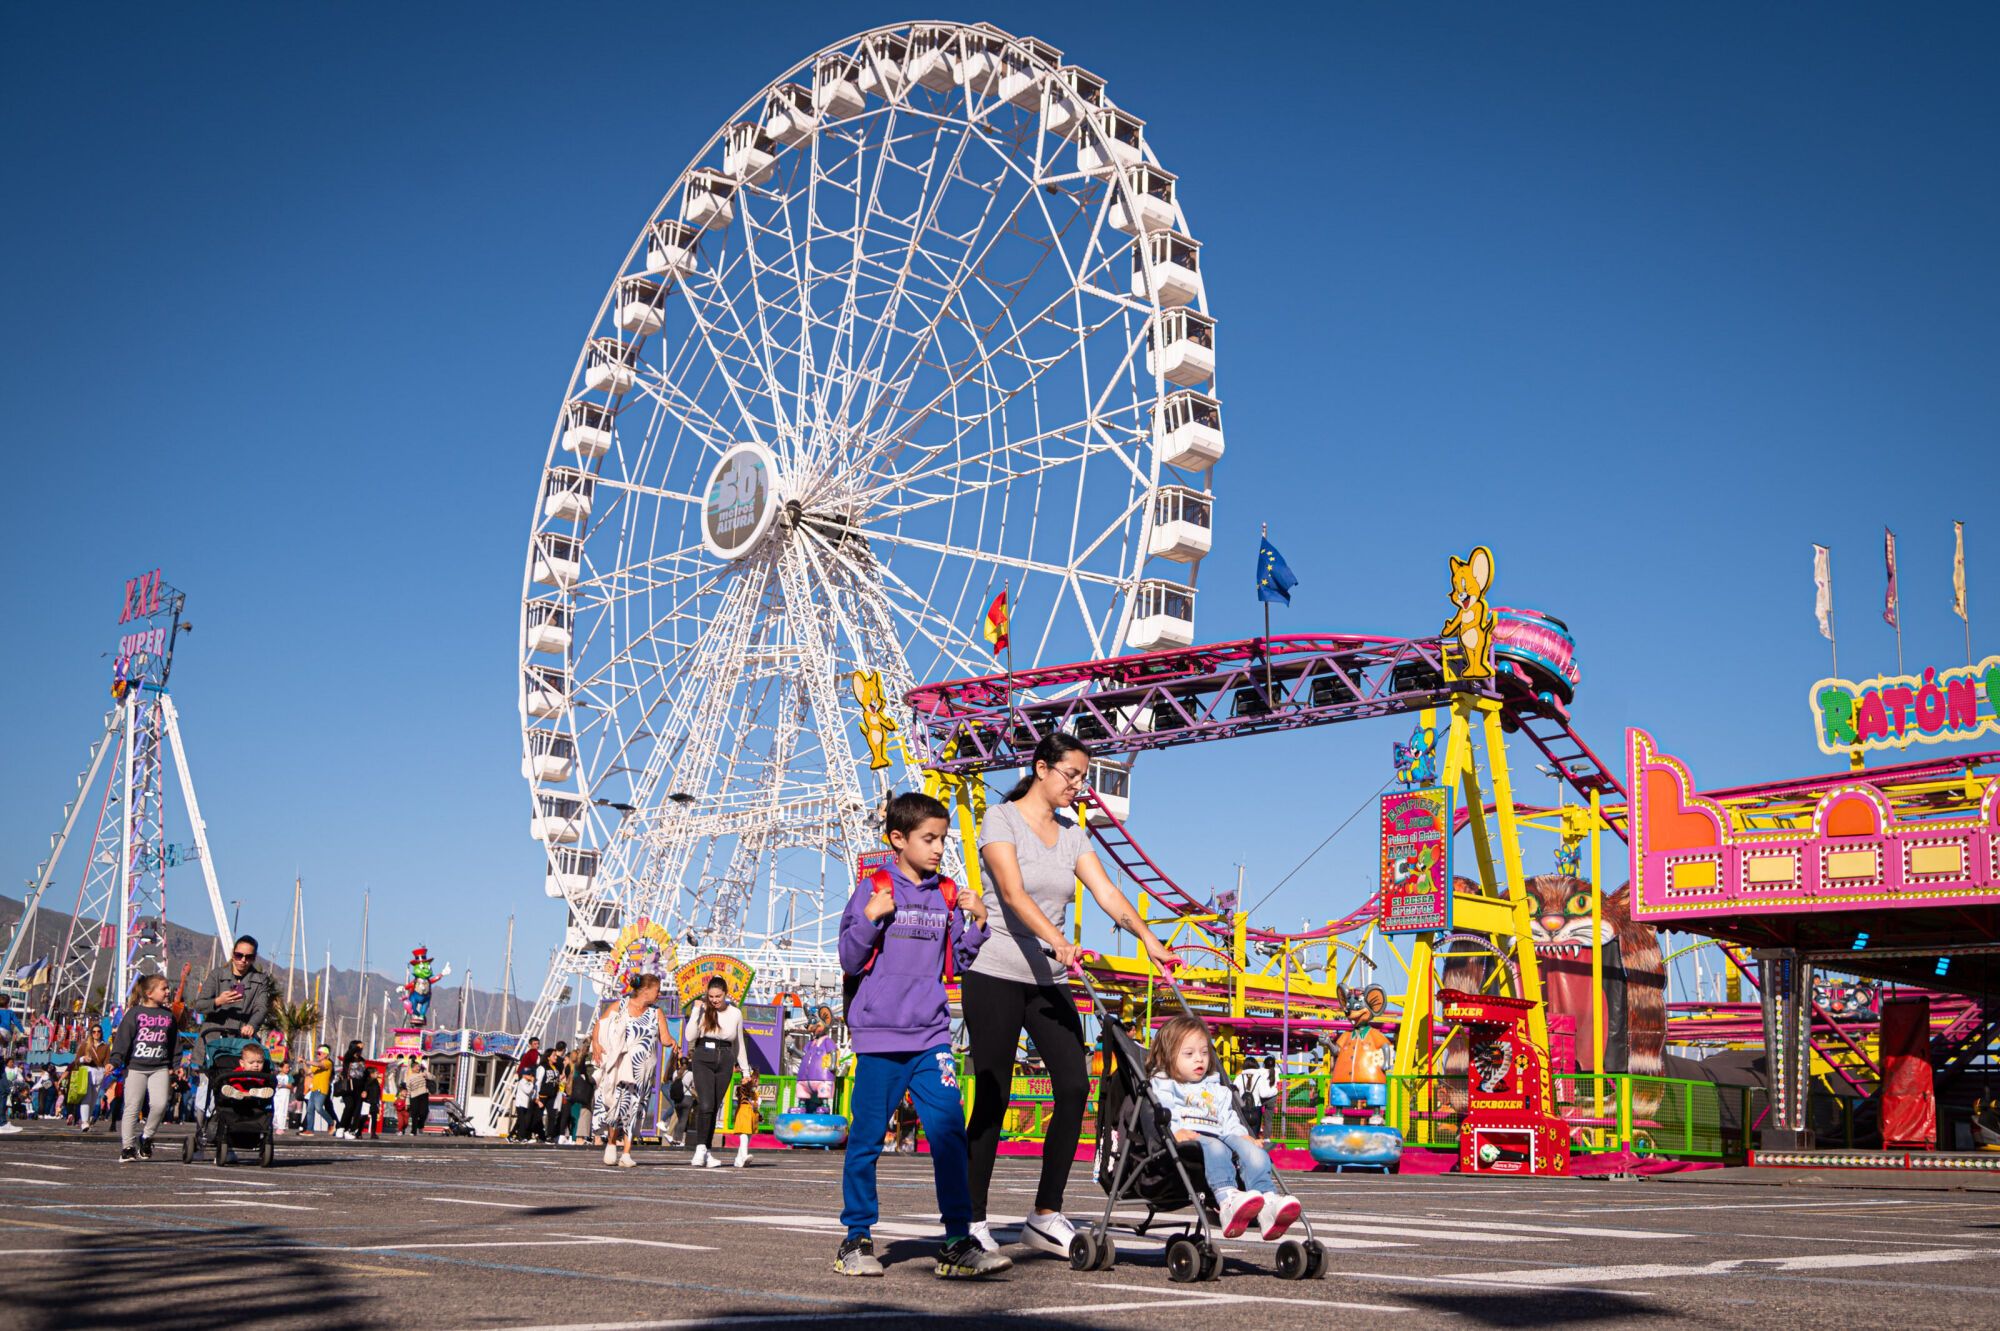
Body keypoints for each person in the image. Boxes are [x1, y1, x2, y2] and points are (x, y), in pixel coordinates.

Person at [964, 732, 1178, 1255]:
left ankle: (1045, 1214)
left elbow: (1108, 893)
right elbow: (1011, 894)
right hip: (994, 971)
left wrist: (1150, 939)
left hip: (1048, 980)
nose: (1079, 786)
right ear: (1042, 768)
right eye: (1073, 775)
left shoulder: (1075, 835)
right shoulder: (1002, 819)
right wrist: (1057, 938)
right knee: (993, 1093)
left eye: (1083, 777)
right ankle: (970, 1218)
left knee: (1075, 1087)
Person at [834, 790, 1007, 1279]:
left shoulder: (946, 893)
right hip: (880, 1038)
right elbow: (848, 959)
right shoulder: (874, 887)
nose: (937, 848)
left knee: (950, 1135)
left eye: (942, 839)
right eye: (928, 838)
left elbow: (956, 963)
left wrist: (977, 924)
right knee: (866, 1140)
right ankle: (856, 1240)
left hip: (932, 1037)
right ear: (897, 839)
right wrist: (870, 920)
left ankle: (956, 1242)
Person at [1148, 1015, 1301, 1241]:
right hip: (1191, 1136)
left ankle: (1268, 1199)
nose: (1199, 1059)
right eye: (1189, 1054)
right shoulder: (1165, 1084)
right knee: (1216, 1147)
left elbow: (1228, 1117)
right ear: (1167, 1057)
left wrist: (1243, 1136)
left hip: (1222, 1133)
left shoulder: (1216, 1087)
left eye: (1204, 1052)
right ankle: (1226, 1197)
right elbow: (1163, 1110)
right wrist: (1174, 1131)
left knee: (1254, 1152)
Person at [591, 972, 671, 1168]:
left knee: (635, 1108)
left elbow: (665, 1038)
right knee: (616, 1105)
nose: (659, 994)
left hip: (643, 1070)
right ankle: (611, 1143)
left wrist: (675, 1044)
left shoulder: (656, 1013)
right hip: (621, 1066)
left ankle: (626, 1153)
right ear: (645, 990)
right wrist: (596, 1044)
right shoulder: (621, 1006)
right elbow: (600, 1025)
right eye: (657, 990)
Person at [682, 975, 752, 1168]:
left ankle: (708, 1151)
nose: (714, 1000)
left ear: (725, 994)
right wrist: (696, 1010)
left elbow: (738, 1044)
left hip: (725, 1059)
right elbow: (689, 1037)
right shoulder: (703, 1010)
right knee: (705, 1104)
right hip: (703, 1056)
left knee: (714, 1106)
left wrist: (746, 1072)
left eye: (718, 996)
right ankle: (700, 1149)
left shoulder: (735, 1013)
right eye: (711, 996)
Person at [108, 973, 177, 1160]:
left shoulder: (169, 1016)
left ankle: (146, 1136)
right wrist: (115, 1060)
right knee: (132, 1106)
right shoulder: (135, 1014)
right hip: (136, 1067)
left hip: (160, 1067)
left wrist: (174, 1065)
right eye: (164, 988)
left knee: (160, 1104)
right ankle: (128, 1147)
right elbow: (123, 1040)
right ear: (149, 993)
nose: (168, 991)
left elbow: (173, 1043)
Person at [194, 935, 275, 1052]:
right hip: (212, 1040)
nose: (243, 960)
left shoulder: (261, 980)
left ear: (254, 958)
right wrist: (218, 1001)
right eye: (239, 955)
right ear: (233, 954)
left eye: (249, 957)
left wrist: (251, 1025)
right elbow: (199, 1006)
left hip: (240, 1043)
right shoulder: (216, 975)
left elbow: (261, 1008)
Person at [1235, 1056, 1274, 1140]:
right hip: (1256, 1110)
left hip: (1242, 1109)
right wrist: (1275, 1091)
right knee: (1254, 1136)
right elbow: (1263, 1094)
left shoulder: (1239, 1077)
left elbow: (1234, 1092)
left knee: (1242, 1135)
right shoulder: (1259, 1078)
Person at [336, 1041, 368, 1138]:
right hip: (348, 1087)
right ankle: (341, 1127)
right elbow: (350, 1053)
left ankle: (350, 1130)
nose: (361, 1050)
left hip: (359, 1088)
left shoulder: (362, 1060)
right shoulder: (348, 1058)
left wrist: (365, 1090)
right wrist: (357, 1046)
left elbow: (364, 1076)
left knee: (357, 1110)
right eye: (359, 1048)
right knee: (349, 1106)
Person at [302, 1044, 334, 1136]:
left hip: (321, 1089)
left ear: (325, 1054)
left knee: (318, 1108)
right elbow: (308, 1072)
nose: (318, 1055)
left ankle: (331, 1122)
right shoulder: (316, 1064)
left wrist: (306, 1060)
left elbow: (320, 1065)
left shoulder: (328, 1063)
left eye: (319, 1053)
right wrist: (303, 1063)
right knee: (309, 1109)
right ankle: (309, 1129)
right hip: (314, 1089)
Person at [507, 1064, 540, 1142]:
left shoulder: (528, 1082)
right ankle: (521, 1137)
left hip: (525, 1104)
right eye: (529, 1074)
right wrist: (532, 1083)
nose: (531, 1076)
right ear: (524, 1075)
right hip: (520, 1104)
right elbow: (527, 1091)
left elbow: (532, 1093)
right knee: (522, 1122)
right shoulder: (522, 1082)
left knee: (519, 1121)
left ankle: (511, 1135)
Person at [566, 1055, 594, 1144]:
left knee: (577, 1115)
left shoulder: (572, 1068)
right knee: (580, 1115)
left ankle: (576, 1137)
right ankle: (578, 1137)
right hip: (583, 1093)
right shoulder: (579, 1067)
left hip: (576, 1094)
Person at [402, 1056, 431, 1135]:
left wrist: (426, 1073)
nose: (418, 1068)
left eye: (419, 1066)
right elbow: (408, 1090)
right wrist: (407, 1103)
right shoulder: (409, 1077)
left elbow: (433, 1078)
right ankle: (413, 1131)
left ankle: (420, 1125)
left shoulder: (423, 1073)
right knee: (414, 1114)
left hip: (424, 1095)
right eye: (417, 1067)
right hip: (414, 1096)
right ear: (413, 1068)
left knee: (424, 1112)